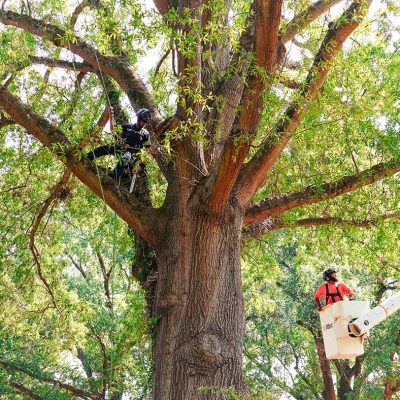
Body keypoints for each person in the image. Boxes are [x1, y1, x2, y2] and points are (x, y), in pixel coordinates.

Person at [86, 108, 152, 180]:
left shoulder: (145, 133)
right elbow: (113, 129)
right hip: (121, 148)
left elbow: (147, 148)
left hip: (132, 156)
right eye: (143, 121)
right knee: (106, 147)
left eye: (146, 122)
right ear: (138, 118)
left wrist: (142, 161)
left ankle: (114, 177)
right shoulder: (128, 127)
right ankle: (87, 157)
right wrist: (111, 116)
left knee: (126, 156)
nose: (144, 124)